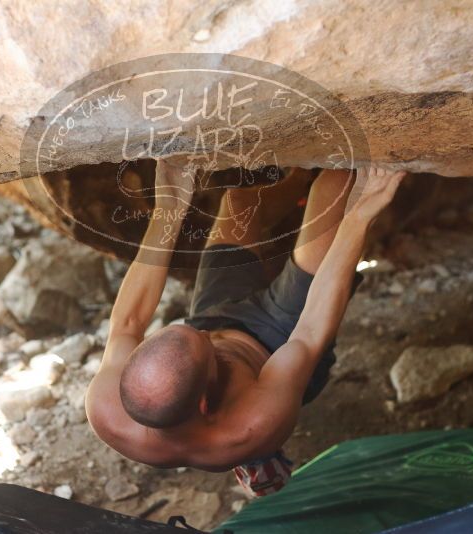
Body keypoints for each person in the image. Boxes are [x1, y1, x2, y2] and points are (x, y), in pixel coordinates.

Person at [86, 157, 405, 496]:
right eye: (208, 345)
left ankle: (298, 177)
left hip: (221, 311)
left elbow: (128, 322)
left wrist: (170, 206)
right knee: (338, 184)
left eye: (192, 330)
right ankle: (259, 461)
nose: (210, 334)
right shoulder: (253, 423)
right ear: (206, 401)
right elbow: (310, 332)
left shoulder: (104, 407)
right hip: (277, 342)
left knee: (241, 202)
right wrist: (362, 216)